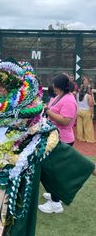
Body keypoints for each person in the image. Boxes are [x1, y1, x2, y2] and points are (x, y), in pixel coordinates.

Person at [0, 60, 95, 236]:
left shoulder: (31, 125)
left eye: (6, 84)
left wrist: (92, 170)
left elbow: (57, 153)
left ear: (19, 89)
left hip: (13, 197)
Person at [38, 73, 77, 213]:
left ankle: (56, 204)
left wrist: (47, 111)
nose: (52, 86)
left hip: (63, 139)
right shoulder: (59, 96)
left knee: (54, 172)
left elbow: (66, 120)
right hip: (54, 137)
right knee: (52, 170)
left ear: (58, 85)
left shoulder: (69, 100)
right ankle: (56, 195)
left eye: (54, 83)